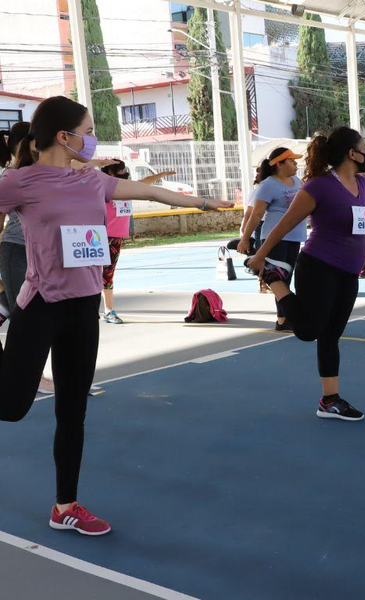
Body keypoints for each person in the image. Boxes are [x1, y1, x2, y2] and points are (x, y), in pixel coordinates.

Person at [0, 96, 232, 535]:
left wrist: (203, 203)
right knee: (11, 407)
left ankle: (65, 505)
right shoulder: (21, 181)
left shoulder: (92, 180)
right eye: (87, 131)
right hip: (42, 304)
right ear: (63, 136)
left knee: (72, 411)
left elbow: (146, 190)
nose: (93, 139)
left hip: (84, 305)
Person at [247, 126, 365, 421]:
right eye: (364, 148)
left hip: (348, 272)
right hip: (319, 266)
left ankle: (330, 401)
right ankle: (275, 278)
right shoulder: (319, 186)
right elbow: (286, 223)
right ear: (351, 153)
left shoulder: (363, 185)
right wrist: (260, 256)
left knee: (331, 336)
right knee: (307, 331)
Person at [239, 147, 305, 331]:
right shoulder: (268, 185)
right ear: (280, 164)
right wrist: (245, 239)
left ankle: (283, 318)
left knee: (286, 278)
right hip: (275, 237)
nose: (295, 164)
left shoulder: (297, 181)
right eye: (291, 161)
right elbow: (256, 214)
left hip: (295, 236)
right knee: (278, 279)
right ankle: (284, 319)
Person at [0, 122, 32, 317]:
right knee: (23, 315)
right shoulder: (10, 178)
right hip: (17, 249)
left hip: (41, 251)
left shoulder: (44, 173)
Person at [99, 161, 132, 324]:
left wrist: (162, 175)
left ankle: (108, 310)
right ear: (111, 174)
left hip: (116, 238)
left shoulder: (127, 189)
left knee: (108, 274)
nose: (125, 172)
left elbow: (145, 184)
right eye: (122, 170)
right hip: (100, 237)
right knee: (92, 274)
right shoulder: (102, 190)